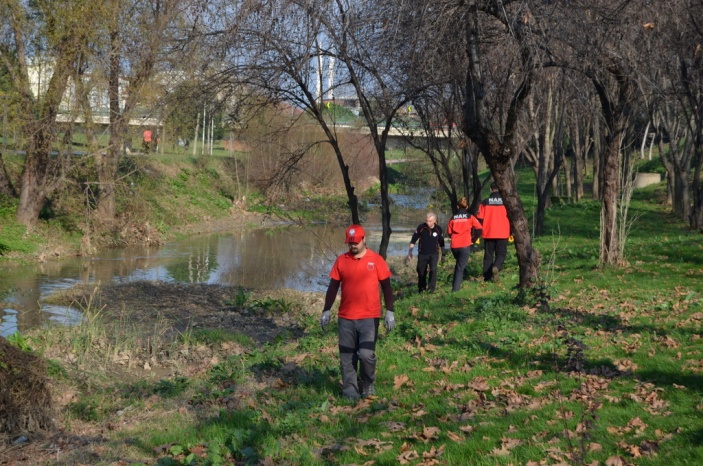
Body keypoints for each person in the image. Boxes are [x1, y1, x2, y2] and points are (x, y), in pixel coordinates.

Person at [320, 225, 395, 401]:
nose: (353, 246)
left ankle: (367, 383)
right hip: (346, 317)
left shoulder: (376, 260)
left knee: (366, 354)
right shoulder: (341, 261)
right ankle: (350, 391)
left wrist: (390, 311)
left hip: (369, 316)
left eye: (356, 242)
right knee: (347, 356)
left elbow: (386, 287)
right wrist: (326, 310)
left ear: (364, 240)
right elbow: (333, 287)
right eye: (350, 243)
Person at [446, 197, 482, 292]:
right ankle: (455, 289)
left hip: (454, 246)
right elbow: (479, 229)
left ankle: (460, 281)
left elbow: (449, 233)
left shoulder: (452, 218)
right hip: (465, 245)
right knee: (460, 267)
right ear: (467, 207)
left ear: (457, 206)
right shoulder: (470, 217)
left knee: (459, 265)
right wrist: (473, 240)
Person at [477, 182, 511, 282]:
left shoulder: (484, 202)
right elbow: (512, 217)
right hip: (503, 232)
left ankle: (487, 278)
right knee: (501, 254)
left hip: (488, 232)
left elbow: (479, 219)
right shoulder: (506, 202)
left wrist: (477, 234)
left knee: (488, 256)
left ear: (491, 190)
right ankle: (496, 266)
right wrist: (512, 232)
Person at [407, 212, 445, 293]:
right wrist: (410, 252)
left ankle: (431, 289)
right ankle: (422, 289)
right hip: (422, 254)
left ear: (435, 220)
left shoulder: (438, 229)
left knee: (433, 270)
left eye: (430, 221)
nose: (428, 223)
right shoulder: (421, 227)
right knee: (421, 272)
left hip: (434, 254)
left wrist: (443, 254)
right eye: (427, 221)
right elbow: (413, 240)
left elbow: (442, 243)